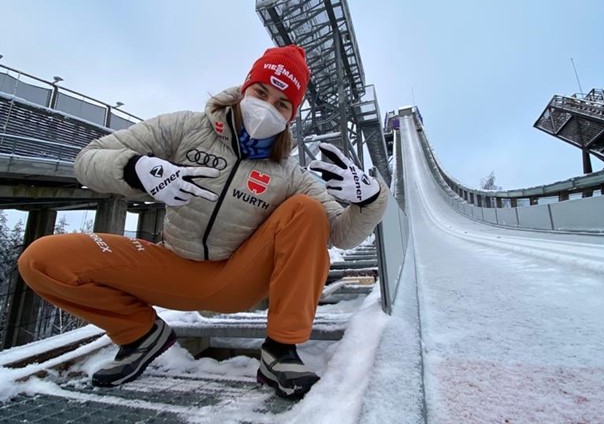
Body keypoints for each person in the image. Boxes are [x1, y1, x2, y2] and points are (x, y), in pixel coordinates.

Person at [18, 45, 388, 399]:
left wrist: (371, 199)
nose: (266, 108)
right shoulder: (185, 127)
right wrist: (136, 169)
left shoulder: (289, 174)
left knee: (307, 210)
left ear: (290, 117)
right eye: (260, 92)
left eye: (281, 104)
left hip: (235, 278)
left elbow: (339, 233)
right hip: (171, 266)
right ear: (245, 88)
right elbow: (89, 158)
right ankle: (140, 334)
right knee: (42, 259)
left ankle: (280, 351)